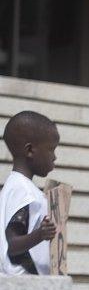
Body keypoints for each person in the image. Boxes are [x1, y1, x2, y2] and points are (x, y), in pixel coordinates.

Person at [0, 111, 58, 276]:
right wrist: (40, 234)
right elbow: (11, 245)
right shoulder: (22, 190)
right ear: (30, 150)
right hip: (23, 284)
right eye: (51, 150)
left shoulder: (19, 187)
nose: (54, 157)